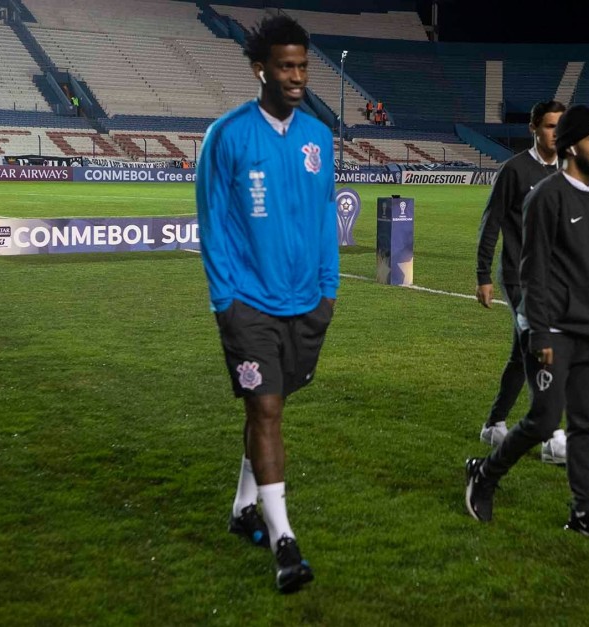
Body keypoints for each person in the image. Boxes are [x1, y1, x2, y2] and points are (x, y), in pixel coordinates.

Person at [195, 15, 338, 594]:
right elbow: (211, 224)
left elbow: (327, 216)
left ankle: (241, 510)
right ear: (261, 68)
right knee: (268, 409)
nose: (298, 75)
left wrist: (329, 290)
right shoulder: (227, 136)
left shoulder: (318, 138)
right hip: (248, 302)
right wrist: (224, 299)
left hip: (306, 301)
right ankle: (284, 542)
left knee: (265, 410)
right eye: (286, 66)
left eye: (303, 65)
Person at [465, 105, 589, 547]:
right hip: (553, 332)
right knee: (544, 421)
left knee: (586, 424)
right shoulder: (545, 196)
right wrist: (539, 332)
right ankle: (484, 476)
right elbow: (533, 270)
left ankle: (584, 512)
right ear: (572, 143)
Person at [475, 100, 568, 464]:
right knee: (539, 346)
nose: (555, 133)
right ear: (534, 129)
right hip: (516, 276)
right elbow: (490, 223)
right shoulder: (514, 170)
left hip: (550, 280)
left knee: (520, 354)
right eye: (549, 126)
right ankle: (551, 434)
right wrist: (483, 275)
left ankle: (494, 423)